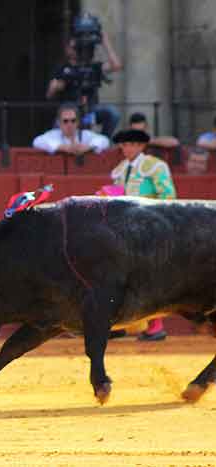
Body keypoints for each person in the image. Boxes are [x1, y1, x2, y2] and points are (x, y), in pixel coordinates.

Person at [110, 128, 176, 341]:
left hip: (150, 229)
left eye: (131, 144)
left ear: (141, 146)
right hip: (126, 231)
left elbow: (168, 196)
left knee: (149, 277)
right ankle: (120, 324)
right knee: (124, 277)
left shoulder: (155, 167)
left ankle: (155, 325)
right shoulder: (119, 170)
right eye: (123, 144)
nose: (126, 148)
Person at [46, 30, 123, 137]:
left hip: (91, 109)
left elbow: (116, 65)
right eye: (73, 47)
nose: (76, 50)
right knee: (57, 129)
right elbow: (49, 94)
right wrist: (60, 84)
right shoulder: (63, 68)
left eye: (78, 47)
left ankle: (102, 143)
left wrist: (105, 42)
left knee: (113, 113)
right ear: (67, 49)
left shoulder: (92, 66)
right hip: (69, 110)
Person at [32, 103, 109, 155]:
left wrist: (88, 147)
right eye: (65, 121)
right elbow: (37, 141)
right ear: (59, 123)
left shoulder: (85, 134)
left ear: (78, 122)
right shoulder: (53, 134)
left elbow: (104, 140)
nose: (70, 124)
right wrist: (62, 147)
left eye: (73, 120)